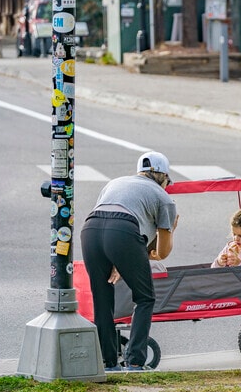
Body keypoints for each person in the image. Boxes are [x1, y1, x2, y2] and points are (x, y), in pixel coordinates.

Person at [80, 151, 179, 371]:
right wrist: (172, 229)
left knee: (102, 300)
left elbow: (108, 220)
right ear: (163, 177)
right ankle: (135, 361)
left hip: (90, 229)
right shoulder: (164, 199)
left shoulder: (115, 183)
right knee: (145, 298)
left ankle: (107, 363)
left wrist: (120, 260)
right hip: (124, 231)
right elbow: (162, 252)